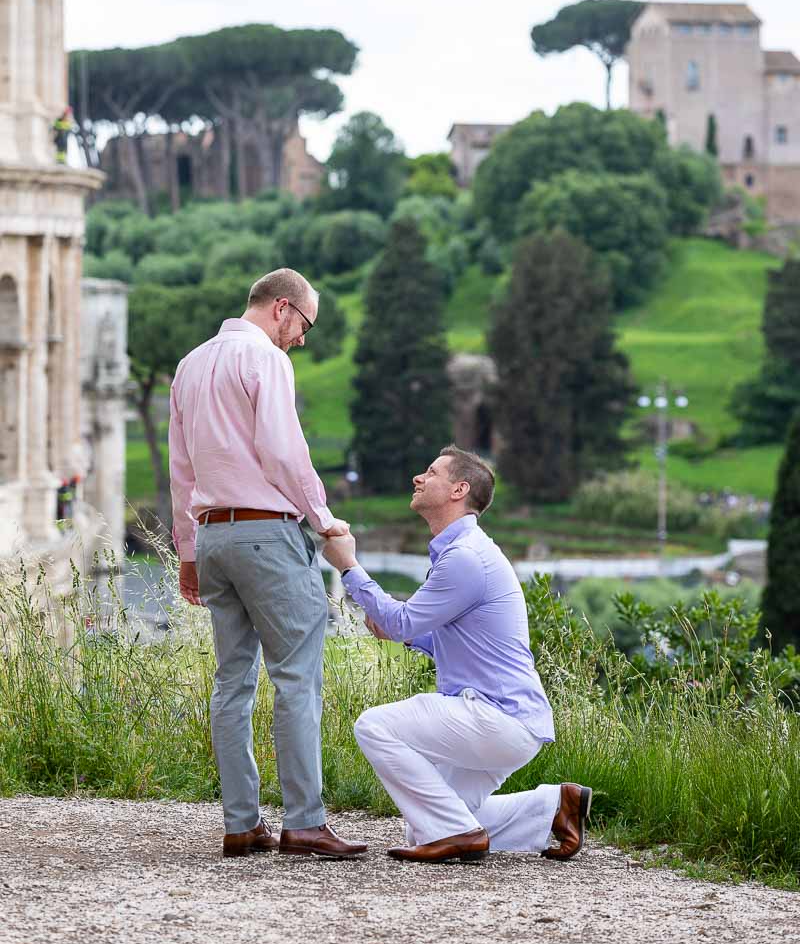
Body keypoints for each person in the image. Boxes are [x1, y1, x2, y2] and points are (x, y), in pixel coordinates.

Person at [169, 268, 367, 861]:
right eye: (304, 325)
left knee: (232, 682)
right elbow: (284, 451)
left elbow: (182, 470)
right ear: (283, 309)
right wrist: (324, 519)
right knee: (297, 677)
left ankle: (241, 824)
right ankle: (304, 821)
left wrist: (186, 551)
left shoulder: (190, 364)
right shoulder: (266, 360)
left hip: (214, 539)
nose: (302, 339)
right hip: (268, 536)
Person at [322, 445, 592, 864]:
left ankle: (457, 834)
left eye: (431, 472)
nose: (418, 477)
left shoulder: (465, 558)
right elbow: (440, 635)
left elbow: (399, 621)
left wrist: (348, 567)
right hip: (510, 723)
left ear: (459, 490)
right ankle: (553, 807)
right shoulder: (465, 552)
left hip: (496, 717)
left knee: (374, 727)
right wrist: (407, 635)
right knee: (427, 822)